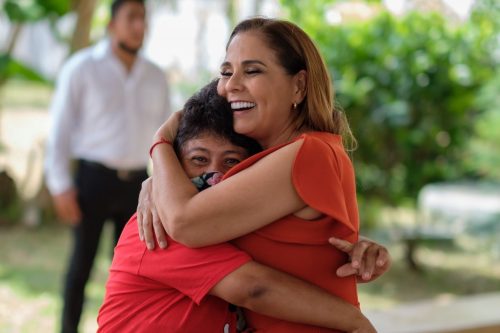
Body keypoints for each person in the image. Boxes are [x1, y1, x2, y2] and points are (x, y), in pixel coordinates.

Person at [141, 17, 390, 332]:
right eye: (227, 72)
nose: (231, 85)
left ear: (298, 85)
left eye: (252, 70)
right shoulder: (267, 161)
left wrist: (160, 143)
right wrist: (155, 183)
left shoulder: (308, 154)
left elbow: (184, 222)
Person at [98, 80, 377, 333]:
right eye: (198, 159)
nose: (214, 175)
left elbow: (286, 249)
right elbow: (255, 288)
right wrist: (353, 321)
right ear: (175, 162)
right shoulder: (160, 224)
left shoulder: (224, 223)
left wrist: (357, 250)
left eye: (231, 162)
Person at [44, 1, 170, 332]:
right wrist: (60, 186)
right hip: (91, 181)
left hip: (138, 186)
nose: (139, 25)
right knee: (80, 267)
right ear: (112, 24)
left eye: (143, 18)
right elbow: (59, 130)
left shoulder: (156, 75)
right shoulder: (81, 67)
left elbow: (169, 137)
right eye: (131, 18)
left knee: (136, 272)